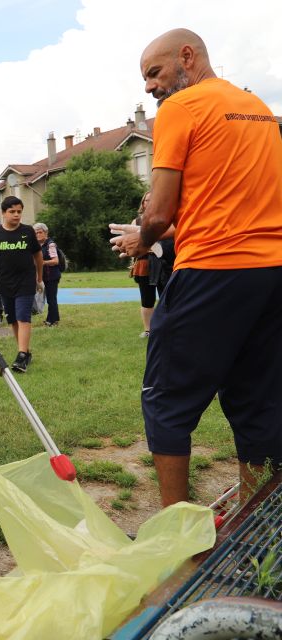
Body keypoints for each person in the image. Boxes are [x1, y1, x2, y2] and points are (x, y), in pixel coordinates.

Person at [111, 29, 282, 507]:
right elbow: (226, 206)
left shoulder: (180, 110)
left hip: (211, 270)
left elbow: (162, 212)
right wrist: (150, 236)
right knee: (259, 401)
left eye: (154, 72)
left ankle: (177, 532)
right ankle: (255, 522)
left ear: (187, 56)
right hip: (271, 273)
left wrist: (144, 239)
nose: (149, 87)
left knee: (165, 397)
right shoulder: (259, 109)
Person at [0, 196, 42, 373]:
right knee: (13, 319)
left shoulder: (28, 231)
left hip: (26, 281)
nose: (16, 215)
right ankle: (25, 352)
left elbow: (38, 256)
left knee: (23, 316)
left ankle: (22, 355)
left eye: (19, 212)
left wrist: (39, 279)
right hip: (6, 283)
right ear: (4, 213)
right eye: (12, 212)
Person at [127, 192, 176, 338]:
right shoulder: (136, 222)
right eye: (146, 200)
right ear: (143, 203)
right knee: (147, 300)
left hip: (165, 264)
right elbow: (132, 245)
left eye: (152, 200)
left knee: (166, 298)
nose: (149, 202)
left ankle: (167, 327)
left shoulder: (166, 220)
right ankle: (148, 330)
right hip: (144, 265)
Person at [33, 223, 62, 327]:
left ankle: (53, 321)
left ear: (46, 233)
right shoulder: (38, 245)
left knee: (51, 299)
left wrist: (42, 262)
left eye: (40, 232)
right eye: (35, 233)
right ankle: (51, 319)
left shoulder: (50, 244)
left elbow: (55, 261)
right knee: (48, 298)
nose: (37, 235)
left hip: (52, 276)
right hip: (43, 276)